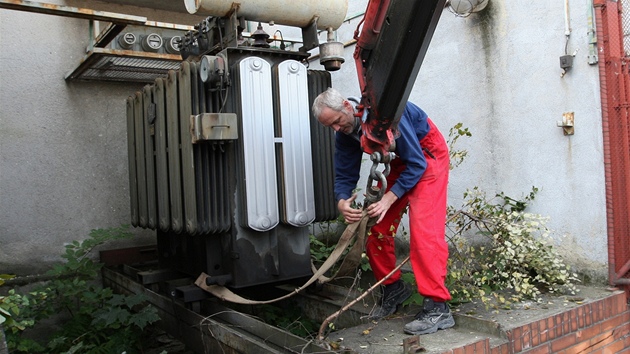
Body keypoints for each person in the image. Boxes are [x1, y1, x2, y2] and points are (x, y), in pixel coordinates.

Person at [311, 87, 454, 335]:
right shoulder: (346, 132)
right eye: (329, 127)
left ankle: (437, 308)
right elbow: (345, 171)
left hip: (427, 157)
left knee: (424, 234)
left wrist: (389, 197)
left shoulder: (385, 113)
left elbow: (417, 162)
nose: (336, 129)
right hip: (400, 163)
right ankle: (392, 289)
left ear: (347, 105)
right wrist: (342, 201)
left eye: (336, 122)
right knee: (375, 226)